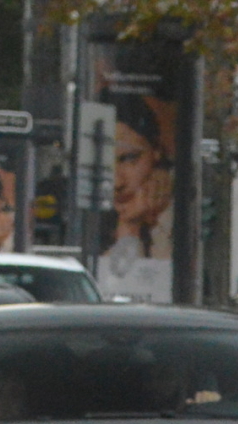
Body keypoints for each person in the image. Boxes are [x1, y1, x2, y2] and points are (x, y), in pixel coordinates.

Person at [97, 89, 175, 302]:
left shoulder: (176, 217)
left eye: (129, 159)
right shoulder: (89, 222)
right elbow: (116, 284)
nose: (117, 182)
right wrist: (129, 226)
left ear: (156, 152)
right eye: (104, 163)